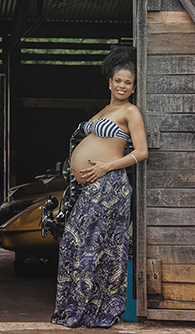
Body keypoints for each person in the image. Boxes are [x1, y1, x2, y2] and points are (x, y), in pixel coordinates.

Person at [50, 45, 148, 328]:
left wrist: (106, 166)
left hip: (110, 186)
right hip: (93, 187)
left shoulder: (131, 111)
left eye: (128, 82)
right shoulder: (106, 109)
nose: (122, 85)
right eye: (118, 80)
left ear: (133, 86)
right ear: (110, 81)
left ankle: (95, 310)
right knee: (75, 241)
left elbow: (141, 152)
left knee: (94, 247)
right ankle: (77, 308)